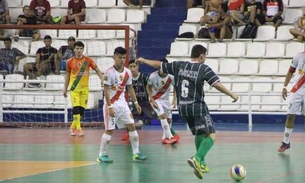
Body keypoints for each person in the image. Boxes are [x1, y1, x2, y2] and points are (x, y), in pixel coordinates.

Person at [137, 45, 238, 179]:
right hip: (197, 106)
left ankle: (201, 163)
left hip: (183, 108)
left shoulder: (179, 65)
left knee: (199, 133)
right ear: (202, 56)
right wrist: (231, 94)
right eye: (205, 57)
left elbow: (159, 65)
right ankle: (197, 158)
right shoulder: (203, 68)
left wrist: (144, 60)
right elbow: (216, 84)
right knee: (211, 135)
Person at [97, 47, 147, 163]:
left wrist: (135, 103)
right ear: (114, 57)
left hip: (123, 105)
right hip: (112, 105)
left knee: (132, 126)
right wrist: (109, 107)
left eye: (124, 57)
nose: (122, 60)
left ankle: (136, 153)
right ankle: (101, 155)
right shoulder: (109, 73)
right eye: (120, 57)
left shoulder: (127, 72)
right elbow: (106, 90)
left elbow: (130, 87)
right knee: (109, 130)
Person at [63, 41, 103, 137]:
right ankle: (79, 128)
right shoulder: (69, 62)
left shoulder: (88, 60)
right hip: (74, 88)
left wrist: (102, 79)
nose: (79, 51)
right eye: (77, 48)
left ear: (83, 49)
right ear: (74, 49)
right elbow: (68, 75)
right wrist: (65, 88)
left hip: (85, 89)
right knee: (75, 108)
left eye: (81, 49)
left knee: (81, 111)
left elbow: (97, 70)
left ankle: (73, 126)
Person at [121, 59, 158, 141]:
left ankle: (171, 133)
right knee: (130, 120)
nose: (132, 68)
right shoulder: (127, 79)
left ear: (137, 67)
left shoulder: (144, 77)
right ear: (128, 68)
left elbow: (150, 88)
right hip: (136, 103)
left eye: (134, 66)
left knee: (159, 116)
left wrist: (152, 98)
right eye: (130, 67)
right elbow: (127, 90)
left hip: (145, 103)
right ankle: (128, 133)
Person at [146, 59, 180, 144]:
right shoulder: (153, 76)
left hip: (166, 100)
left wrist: (174, 100)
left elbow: (176, 88)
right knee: (162, 116)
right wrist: (152, 99)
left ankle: (164, 137)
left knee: (169, 120)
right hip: (156, 99)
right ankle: (170, 137)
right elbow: (148, 87)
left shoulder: (171, 76)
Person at [278, 51, 305, 152]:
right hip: (296, 90)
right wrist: (284, 86)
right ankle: (286, 142)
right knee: (290, 116)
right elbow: (290, 71)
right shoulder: (298, 56)